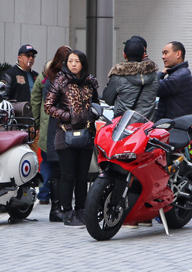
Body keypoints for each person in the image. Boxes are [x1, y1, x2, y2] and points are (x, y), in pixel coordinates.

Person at [45, 50, 98, 227]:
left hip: (86, 135)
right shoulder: (60, 81)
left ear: (83, 63)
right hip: (65, 134)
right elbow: (48, 106)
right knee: (68, 175)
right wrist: (68, 116)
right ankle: (67, 212)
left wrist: (92, 116)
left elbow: (96, 105)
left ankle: (81, 210)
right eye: (70, 61)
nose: (73, 64)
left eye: (77, 61)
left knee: (83, 176)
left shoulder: (90, 83)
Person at [31, 46, 71, 221]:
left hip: (53, 129)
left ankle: (52, 201)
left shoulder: (49, 77)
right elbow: (39, 101)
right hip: (54, 129)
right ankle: (52, 202)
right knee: (54, 167)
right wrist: (38, 124)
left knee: (54, 167)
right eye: (70, 60)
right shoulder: (51, 79)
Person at [102, 36, 159, 119]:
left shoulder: (118, 76)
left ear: (124, 55)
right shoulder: (154, 76)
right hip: (146, 128)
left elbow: (108, 99)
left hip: (124, 127)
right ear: (144, 55)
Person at [155, 41, 192, 119]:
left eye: (166, 53)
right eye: (163, 53)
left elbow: (154, 87)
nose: (163, 57)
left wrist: (161, 73)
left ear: (178, 54)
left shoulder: (179, 75)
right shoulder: (179, 72)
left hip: (173, 126)